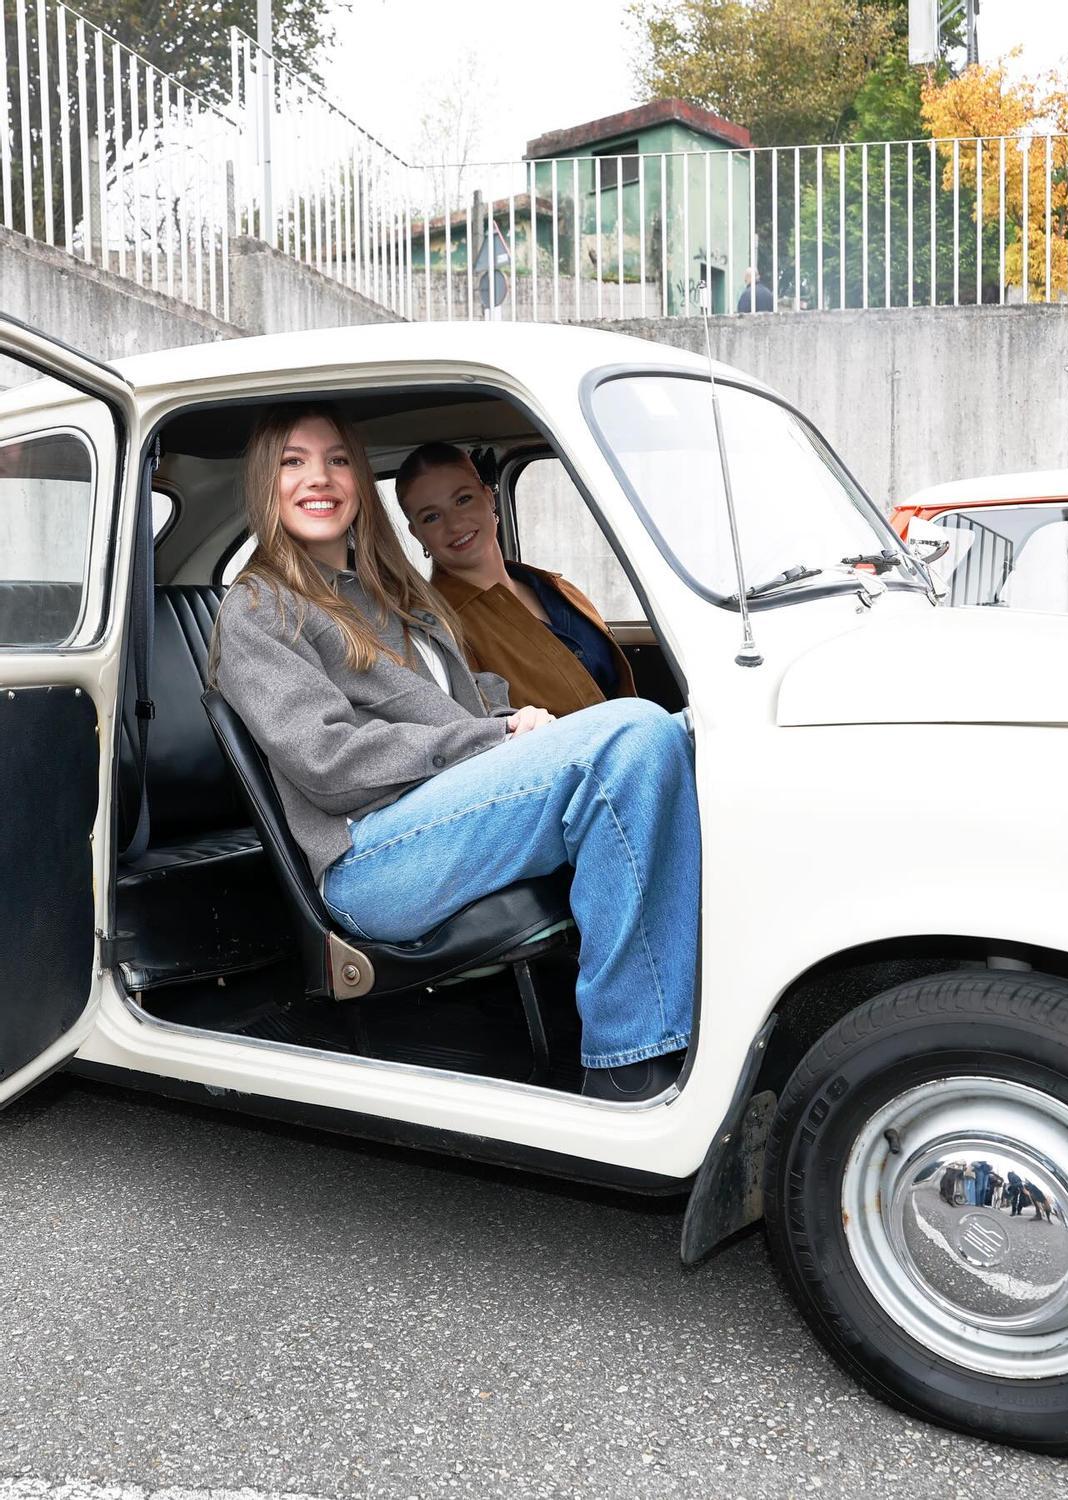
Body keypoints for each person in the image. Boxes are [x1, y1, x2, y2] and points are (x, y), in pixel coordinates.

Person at [210, 404, 700, 1103]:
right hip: (369, 859)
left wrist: (513, 721)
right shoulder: (261, 608)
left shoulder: (391, 594)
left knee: (691, 737)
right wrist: (490, 738)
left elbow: (457, 710)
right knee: (632, 737)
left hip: (443, 820)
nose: (319, 477)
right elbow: (327, 761)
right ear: (266, 481)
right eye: (294, 462)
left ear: (359, 481)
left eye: (338, 460)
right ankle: (628, 1062)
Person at [394, 442, 636, 719]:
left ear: (489, 498)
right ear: (417, 534)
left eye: (463, 500)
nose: (455, 524)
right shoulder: (438, 628)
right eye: (432, 517)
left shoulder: (555, 587)